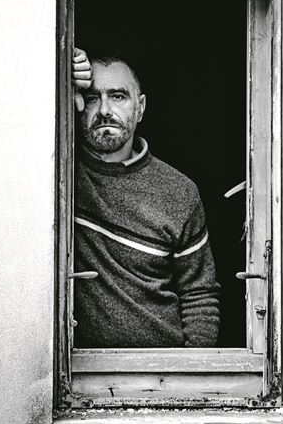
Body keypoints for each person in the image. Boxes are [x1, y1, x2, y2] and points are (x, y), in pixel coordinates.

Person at [71, 47, 220, 348]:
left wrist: (190, 368)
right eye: (92, 98)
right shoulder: (59, 178)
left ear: (140, 108)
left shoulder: (179, 191)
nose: (104, 110)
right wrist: (60, 70)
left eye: (118, 96)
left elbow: (199, 295)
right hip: (80, 367)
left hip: (163, 366)